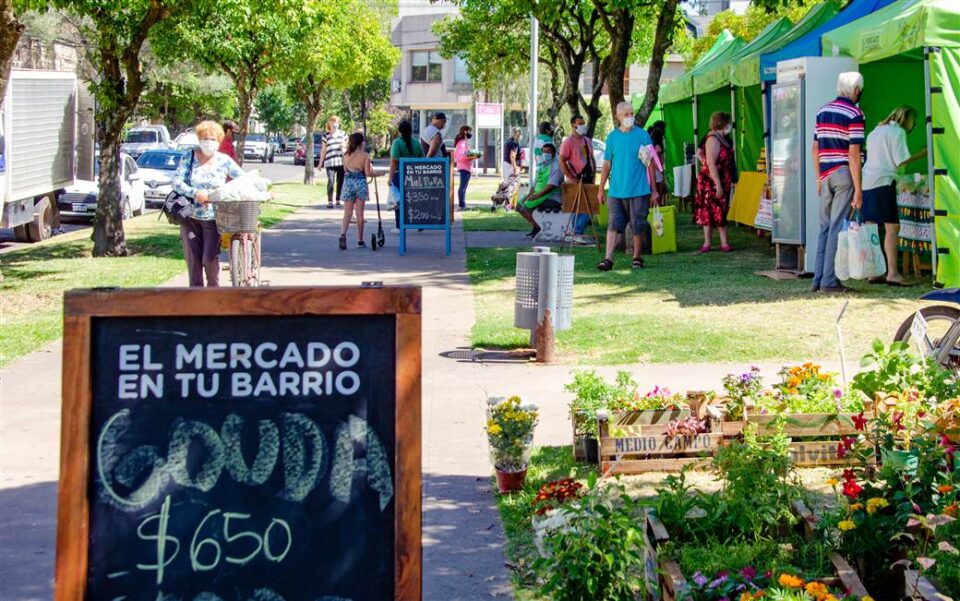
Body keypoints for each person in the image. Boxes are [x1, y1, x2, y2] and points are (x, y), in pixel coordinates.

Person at [171, 120, 243, 287]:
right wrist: (194, 193)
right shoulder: (189, 156)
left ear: (219, 140)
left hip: (213, 218)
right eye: (204, 138)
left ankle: (213, 295)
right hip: (189, 217)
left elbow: (242, 178)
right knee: (194, 262)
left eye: (212, 139)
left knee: (209, 260)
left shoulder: (224, 161)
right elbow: (176, 182)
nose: (208, 142)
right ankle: (196, 302)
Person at [811, 71, 866, 294]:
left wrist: (818, 178)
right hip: (844, 173)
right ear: (855, 90)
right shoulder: (855, 114)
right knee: (836, 227)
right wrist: (859, 189)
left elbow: (815, 149)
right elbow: (854, 154)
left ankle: (818, 279)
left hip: (824, 174)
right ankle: (829, 281)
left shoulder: (822, 111)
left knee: (824, 228)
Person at [862, 105, 927, 286]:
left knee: (871, 227)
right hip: (884, 181)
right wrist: (923, 153)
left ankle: (873, 272)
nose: (914, 125)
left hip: (868, 182)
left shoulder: (875, 132)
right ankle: (893, 273)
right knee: (892, 228)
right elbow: (900, 160)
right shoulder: (898, 133)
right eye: (913, 121)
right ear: (906, 119)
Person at [596, 101, 659, 271]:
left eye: (632, 113)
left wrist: (654, 190)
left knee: (637, 225)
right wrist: (601, 189)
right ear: (617, 117)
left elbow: (650, 164)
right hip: (616, 191)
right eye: (626, 114)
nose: (630, 117)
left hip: (639, 190)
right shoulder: (612, 137)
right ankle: (608, 259)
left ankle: (636, 257)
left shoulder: (642, 136)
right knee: (613, 224)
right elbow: (607, 164)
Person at [695, 112, 736, 253]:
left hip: (721, 178)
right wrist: (718, 184)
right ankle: (708, 243)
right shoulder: (713, 139)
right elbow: (711, 163)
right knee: (709, 210)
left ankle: (723, 242)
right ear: (723, 123)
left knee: (721, 210)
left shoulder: (723, 138)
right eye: (728, 122)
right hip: (711, 181)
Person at [559, 114, 596, 236]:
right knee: (577, 206)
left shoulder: (587, 140)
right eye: (579, 124)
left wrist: (594, 174)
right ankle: (576, 232)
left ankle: (576, 232)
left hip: (588, 178)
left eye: (583, 123)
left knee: (589, 206)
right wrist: (571, 177)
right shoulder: (568, 142)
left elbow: (591, 158)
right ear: (573, 125)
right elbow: (562, 161)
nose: (582, 126)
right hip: (576, 178)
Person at [517, 142, 564, 238]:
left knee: (527, 207)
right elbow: (534, 185)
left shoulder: (556, 166)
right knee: (519, 206)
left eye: (548, 152)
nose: (545, 154)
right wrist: (529, 195)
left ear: (554, 154)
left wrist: (537, 196)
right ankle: (537, 227)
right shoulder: (542, 165)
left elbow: (552, 185)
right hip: (539, 195)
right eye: (544, 151)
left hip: (552, 197)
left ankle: (544, 230)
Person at [338, 132, 375, 250]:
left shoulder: (346, 155)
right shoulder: (365, 155)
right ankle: (360, 240)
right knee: (359, 213)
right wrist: (379, 174)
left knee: (347, 213)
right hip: (360, 183)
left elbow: (345, 171)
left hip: (348, 183)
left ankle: (343, 234)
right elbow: (368, 173)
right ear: (361, 142)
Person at [388, 120, 424, 230]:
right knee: (414, 199)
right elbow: (422, 158)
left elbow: (394, 161)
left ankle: (399, 225)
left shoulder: (397, 143)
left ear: (399, 131)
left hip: (399, 174)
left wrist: (390, 178)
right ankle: (419, 221)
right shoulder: (416, 143)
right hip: (414, 174)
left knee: (398, 200)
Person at [319, 115, 348, 209]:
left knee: (340, 181)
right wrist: (320, 163)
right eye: (333, 122)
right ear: (329, 123)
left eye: (336, 122)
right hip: (329, 162)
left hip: (341, 161)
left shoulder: (343, 134)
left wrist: (344, 146)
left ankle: (338, 199)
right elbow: (323, 150)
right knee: (331, 181)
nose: (335, 124)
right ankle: (330, 201)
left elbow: (347, 148)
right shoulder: (325, 135)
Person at [453, 125, 475, 210]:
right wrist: (471, 156)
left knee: (464, 187)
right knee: (462, 187)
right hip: (464, 167)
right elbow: (460, 156)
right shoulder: (462, 143)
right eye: (469, 131)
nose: (471, 133)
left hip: (466, 167)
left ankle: (463, 204)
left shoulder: (464, 142)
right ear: (465, 131)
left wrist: (472, 155)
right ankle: (462, 205)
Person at [648, 120, 667, 200]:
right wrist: (662, 172)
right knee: (658, 191)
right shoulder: (658, 147)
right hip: (657, 171)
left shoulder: (649, 142)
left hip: (648, 171)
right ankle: (659, 203)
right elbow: (659, 162)